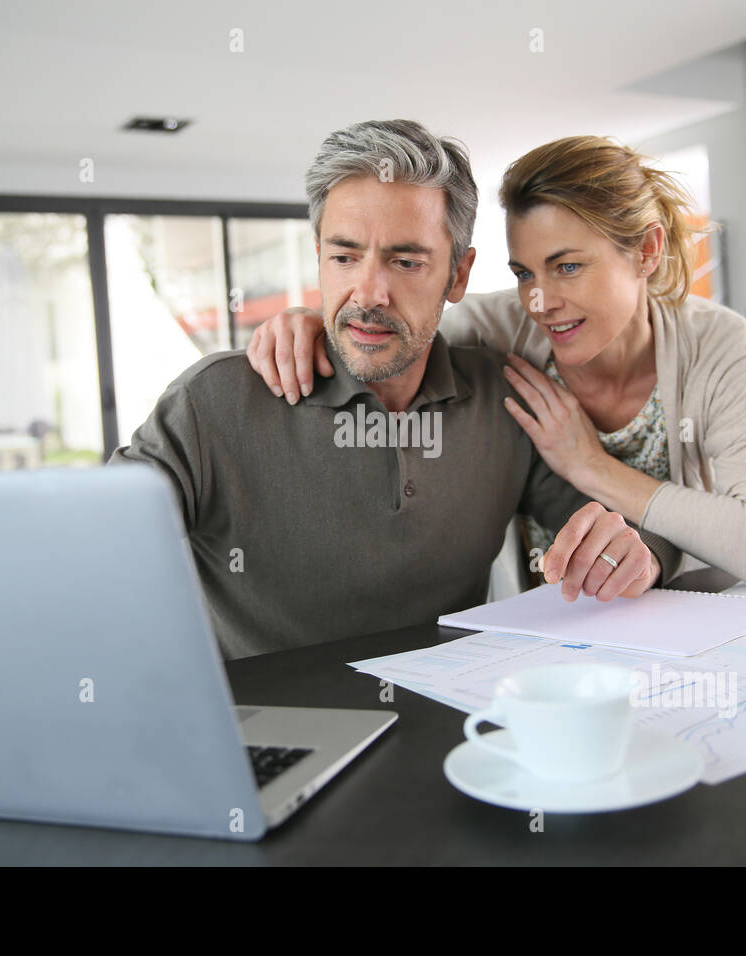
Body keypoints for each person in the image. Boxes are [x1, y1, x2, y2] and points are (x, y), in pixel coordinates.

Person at [109, 119, 678, 660]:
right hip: (265, 741)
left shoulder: (502, 399)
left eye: (405, 261)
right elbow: (86, 549)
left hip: (449, 726)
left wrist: (635, 554)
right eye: (344, 256)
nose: (369, 292)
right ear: (319, 260)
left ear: (458, 275)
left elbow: (629, 530)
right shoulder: (215, 403)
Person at [246, 135, 746, 588]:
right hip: (546, 625)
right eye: (524, 273)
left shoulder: (726, 352)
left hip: (692, 621)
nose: (540, 303)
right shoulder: (498, 333)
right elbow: (391, 326)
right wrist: (309, 320)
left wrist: (591, 467)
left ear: (647, 251)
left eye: (567, 267)